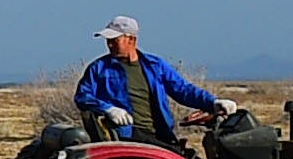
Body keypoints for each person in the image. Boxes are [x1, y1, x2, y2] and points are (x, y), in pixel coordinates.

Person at [75, 17, 229, 147]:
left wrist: (212, 102)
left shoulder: (154, 65)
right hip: (127, 136)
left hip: (159, 133)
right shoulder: (99, 69)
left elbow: (183, 90)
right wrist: (109, 109)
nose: (109, 45)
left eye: (114, 40)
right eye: (108, 41)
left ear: (131, 39)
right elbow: (82, 96)